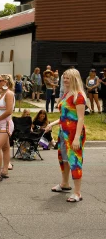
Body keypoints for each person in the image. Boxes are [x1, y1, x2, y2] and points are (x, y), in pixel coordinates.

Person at [45, 68, 86, 202]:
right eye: (64, 77)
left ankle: (77, 193)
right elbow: (64, 117)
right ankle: (64, 184)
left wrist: (76, 138)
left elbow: (80, 118)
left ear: (74, 78)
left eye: (68, 77)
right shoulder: (66, 94)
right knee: (63, 159)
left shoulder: (78, 96)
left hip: (74, 133)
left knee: (74, 161)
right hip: (63, 132)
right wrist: (52, 124)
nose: (65, 79)